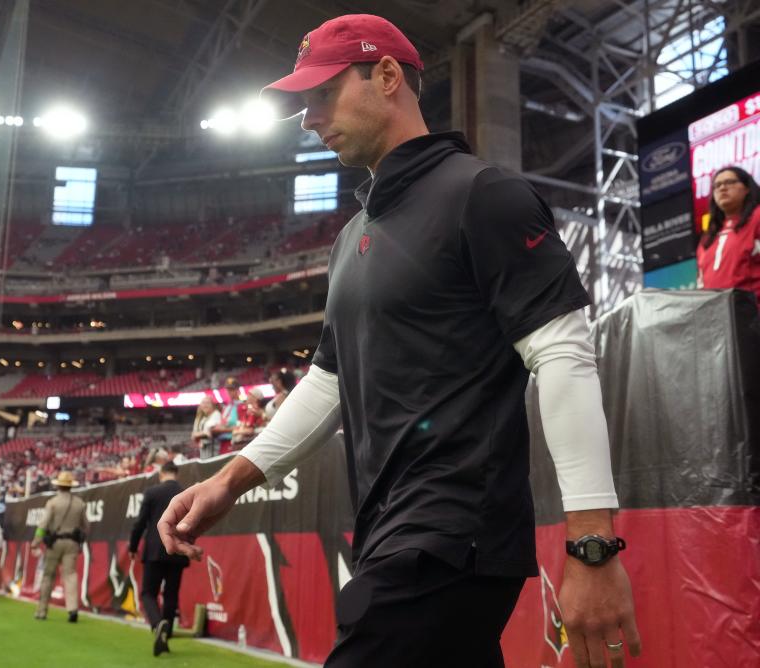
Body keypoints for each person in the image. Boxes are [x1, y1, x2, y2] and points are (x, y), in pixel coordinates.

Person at [159, 14, 641, 668]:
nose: (308, 118)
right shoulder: (349, 239)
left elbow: (563, 357)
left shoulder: (484, 195)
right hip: (393, 534)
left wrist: (592, 546)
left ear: (386, 76)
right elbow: (328, 382)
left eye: (322, 93)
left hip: (448, 538)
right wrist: (229, 481)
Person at [129, 462, 190, 657]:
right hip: (178, 550)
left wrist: (132, 547)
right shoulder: (185, 492)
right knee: (171, 594)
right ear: (177, 474)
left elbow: (140, 523)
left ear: (161, 473)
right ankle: (166, 635)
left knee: (148, 592)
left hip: (154, 550)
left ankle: (158, 624)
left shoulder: (152, 492)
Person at [696, 165, 760, 304]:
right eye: (717, 185)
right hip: (718, 319)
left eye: (729, 182)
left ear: (747, 188)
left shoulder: (757, 218)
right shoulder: (708, 237)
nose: (722, 188)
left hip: (753, 314)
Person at [31, 471, 88, 622]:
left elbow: (43, 524)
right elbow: (85, 526)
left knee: (48, 575)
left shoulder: (53, 502)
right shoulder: (80, 504)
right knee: (70, 575)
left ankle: (42, 610)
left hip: (55, 543)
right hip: (72, 543)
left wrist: (36, 541)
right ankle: (72, 609)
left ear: (58, 486)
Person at [209, 377, 246, 454]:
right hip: (222, 444)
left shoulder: (242, 406)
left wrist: (221, 430)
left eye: (232, 390)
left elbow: (241, 427)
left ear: (237, 390)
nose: (229, 392)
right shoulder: (226, 407)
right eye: (228, 390)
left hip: (235, 443)